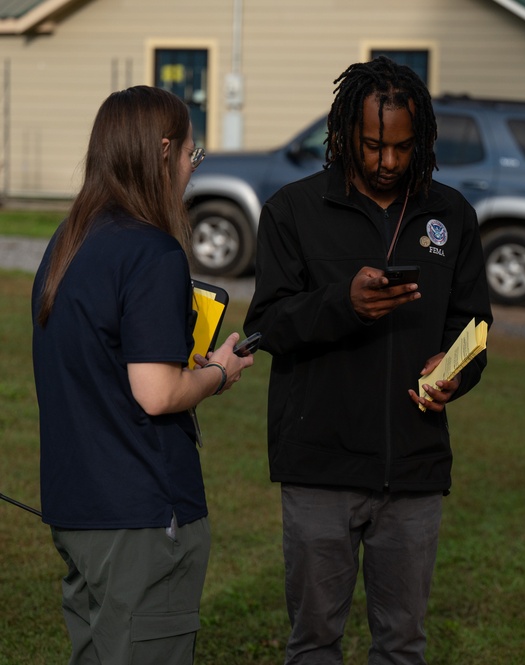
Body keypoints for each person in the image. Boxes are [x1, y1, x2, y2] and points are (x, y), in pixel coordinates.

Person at [244, 56, 492, 665]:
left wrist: (456, 372)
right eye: (373, 146)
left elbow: (475, 325)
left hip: (413, 471)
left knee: (402, 646)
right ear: (344, 135)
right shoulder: (292, 210)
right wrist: (343, 303)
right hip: (319, 469)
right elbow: (266, 325)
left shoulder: (451, 215)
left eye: (402, 148)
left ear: (422, 141)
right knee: (313, 645)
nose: (387, 163)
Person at [31, 85, 255, 665]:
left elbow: (104, 368)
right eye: (190, 154)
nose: (190, 168)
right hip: (141, 517)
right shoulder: (153, 252)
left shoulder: (68, 242)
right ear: (162, 151)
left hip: (77, 510)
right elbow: (156, 394)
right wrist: (218, 374)